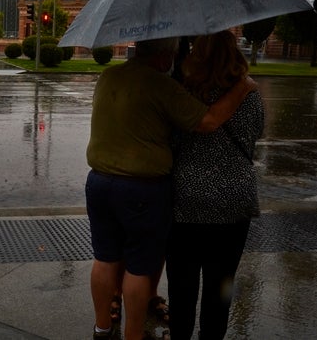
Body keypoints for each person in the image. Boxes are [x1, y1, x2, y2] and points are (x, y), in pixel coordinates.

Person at [85, 36, 257, 340]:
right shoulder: (165, 87)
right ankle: (134, 336)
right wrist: (242, 86)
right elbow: (212, 122)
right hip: (154, 190)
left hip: (106, 184)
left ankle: (102, 328)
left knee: (108, 259)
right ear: (165, 57)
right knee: (142, 268)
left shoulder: (110, 75)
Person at [166, 30, 264, 340]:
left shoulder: (185, 92)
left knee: (182, 287)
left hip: (186, 202)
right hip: (234, 202)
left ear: (198, 53)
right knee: (221, 286)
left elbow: (172, 140)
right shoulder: (250, 94)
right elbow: (254, 136)